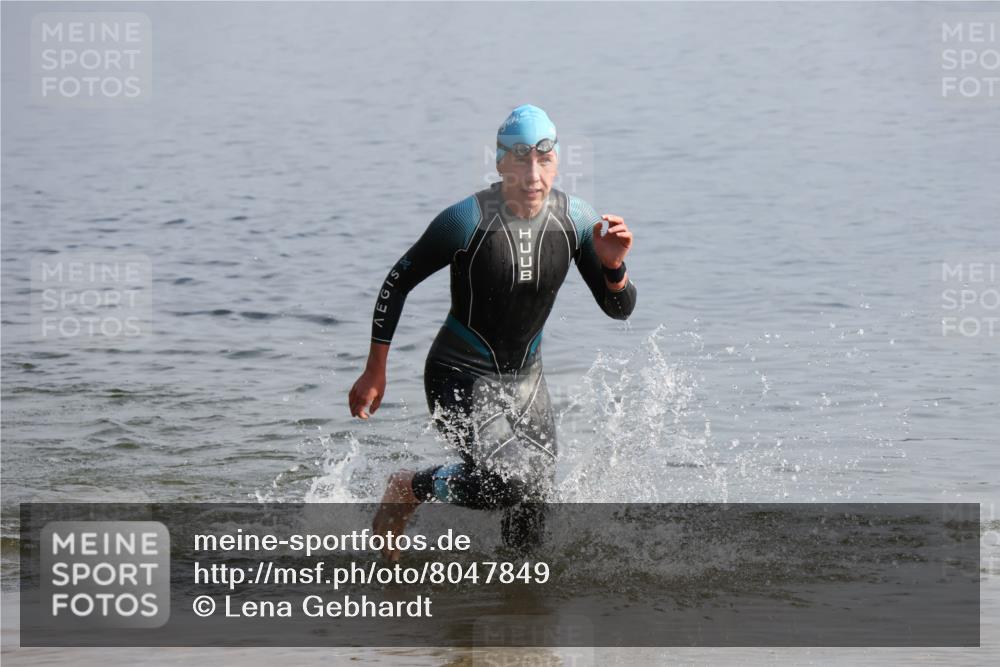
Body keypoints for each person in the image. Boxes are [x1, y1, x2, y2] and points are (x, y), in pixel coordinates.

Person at [348, 104, 636, 560]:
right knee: (509, 481)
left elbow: (617, 309)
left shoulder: (577, 221)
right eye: (520, 159)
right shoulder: (466, 221)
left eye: (543, 159)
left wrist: (613, 266)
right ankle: (409, 487)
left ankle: (511, 614)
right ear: (501, 163)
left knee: (532, 512)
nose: (533, 174)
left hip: (527, 381)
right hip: (459, 373)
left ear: (557, 160)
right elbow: (397, 281)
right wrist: (374, 372)